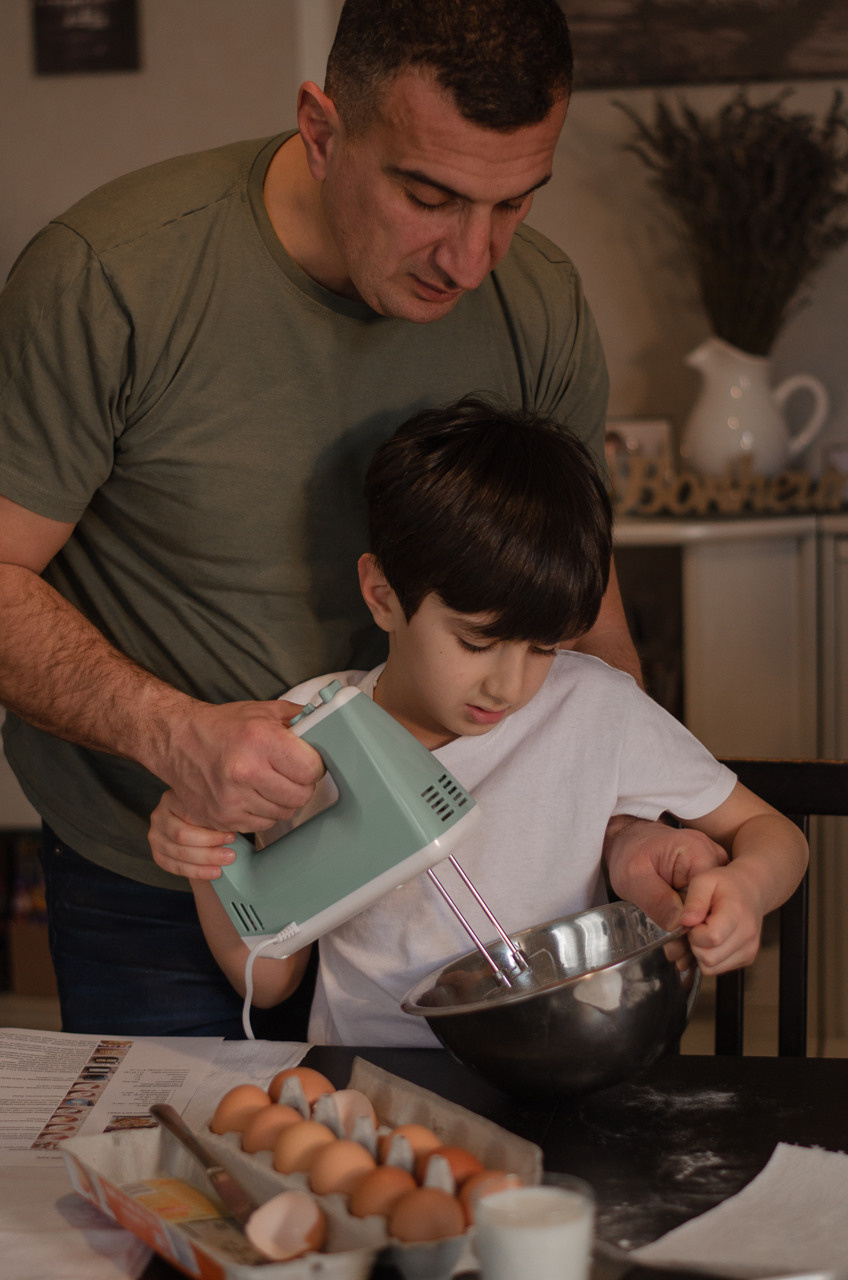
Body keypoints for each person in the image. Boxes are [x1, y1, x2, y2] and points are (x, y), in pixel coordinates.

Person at [0, 0, 714, 1036]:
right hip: (184, 884)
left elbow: (581, 617)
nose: (470, 259)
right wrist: (175, 736)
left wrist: (624, 824)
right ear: (322, 130)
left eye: (513, 203)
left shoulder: (539, 304)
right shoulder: (112, 278)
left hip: (448, 893)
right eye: (429, 196)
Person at [149, 399, 809, 1047]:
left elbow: (774, 833)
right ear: (383, 595)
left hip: (555, 1069)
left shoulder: (597, 709)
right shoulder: (308, 740)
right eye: (476, 642)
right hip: (378, 1087)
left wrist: (745, 885)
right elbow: (269, 983)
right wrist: (206, 846)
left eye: (542, 647)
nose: (510, 684)